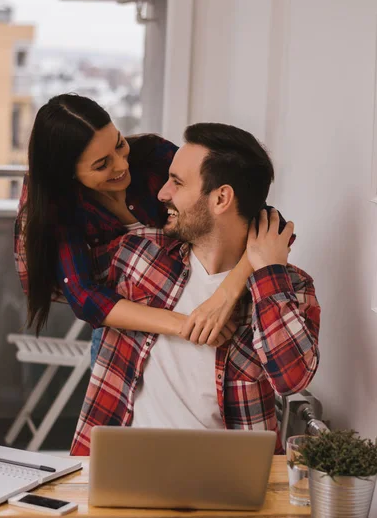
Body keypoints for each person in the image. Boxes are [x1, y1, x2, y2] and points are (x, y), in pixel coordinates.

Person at [71, 123, 321, 456]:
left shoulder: (290, 286)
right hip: (125, 467)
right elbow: (62, 284)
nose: (162, 194)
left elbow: (293, 379)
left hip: (229, 479)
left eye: (176, 182)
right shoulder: (137, 255)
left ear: (221, 198)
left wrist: (268, 272)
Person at [15, 94, 259, 367]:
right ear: (69, 174)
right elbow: (85, 297)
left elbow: (260, 220)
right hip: (132, 336)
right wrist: (187, 322)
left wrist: (225, 295)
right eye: (102, 164)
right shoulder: (61, 207)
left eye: (120, 144)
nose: (122, 164)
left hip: (214, 319)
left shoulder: (154, 156)